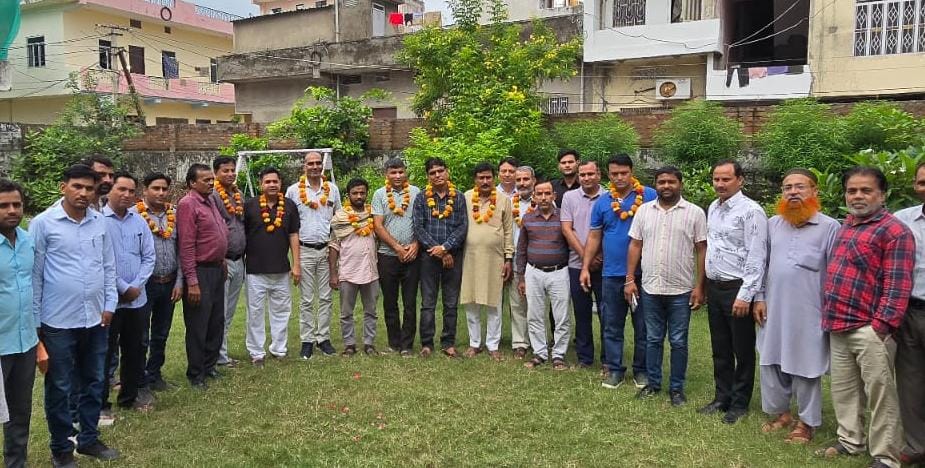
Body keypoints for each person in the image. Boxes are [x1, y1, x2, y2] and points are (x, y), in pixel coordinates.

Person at [816, 167, 913, 468]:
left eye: (866, 190)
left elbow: (898, 285)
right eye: (852, 190)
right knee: (844, 389)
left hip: (870, 328)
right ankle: (850, 441)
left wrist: (880, 327)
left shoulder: (894, 231)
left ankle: (885, 456)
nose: (857, 196)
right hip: (838, 322)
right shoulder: (848, 224)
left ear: (882, 195)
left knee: (880, 394)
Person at [30, 164, 120, 465]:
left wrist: (109, 304)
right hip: (57, 321)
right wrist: (36, 323)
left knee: (94, 381)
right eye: (77, 186)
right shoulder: (43, 224)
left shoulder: (99, 222)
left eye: (89, 188)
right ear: (63, 187)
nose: (83, 193)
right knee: (60, 387)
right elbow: (35, 275)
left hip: (96, 318)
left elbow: (108, 265)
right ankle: (61, 448)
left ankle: (89, 439)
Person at [752, 169, 839, 443]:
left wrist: (830, 311)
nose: (793, 192)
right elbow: (761, 264)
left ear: (814, 192)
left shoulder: (830, 227)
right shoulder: (773, 224)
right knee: (770, 360)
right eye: (787, 187)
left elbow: (835, 273)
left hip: (809, 310)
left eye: (800, 187)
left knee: (806, 365)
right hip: (772, 307)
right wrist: (759, 297)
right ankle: (781, 414)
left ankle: (806, 422)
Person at [625, 166, 707, 406]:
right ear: (656, 185)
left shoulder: (694, 213)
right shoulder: (644, 211)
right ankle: (653, 383)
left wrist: (700, 286)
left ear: (680, 184)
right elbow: (635, 245)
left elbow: (702, 250)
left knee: (679, 341)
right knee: (652, 338)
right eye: (661, 182)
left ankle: (677, 388)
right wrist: (629, 279)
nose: (666, 186)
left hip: (681, 289)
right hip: (650, 287)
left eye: (671, 182)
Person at [700, 160, 768, 425]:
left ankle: (739, 403)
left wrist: (746, 295)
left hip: (737, 289)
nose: (720, 184)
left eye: (726, 179)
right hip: (716, 287)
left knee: (742, 349)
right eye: (716, 179)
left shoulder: (751, 211)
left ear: (740, 180)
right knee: (720, 348)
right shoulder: (713, 208)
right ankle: (722, 397)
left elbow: (757, 256)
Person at [580, 154, 655, 390]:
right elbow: (594, 236)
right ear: (608, 175)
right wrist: (585, 267)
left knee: (643, 325)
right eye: (615, 174)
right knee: (611, 325)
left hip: (644, 273)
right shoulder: (603, 202)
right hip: (611, 274)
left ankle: (641, 371)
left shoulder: (649, 196)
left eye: (624, 173)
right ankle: (614, 369)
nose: (620, 177)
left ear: (632, 172)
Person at [101, 173, 156, 416]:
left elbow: (149, 256)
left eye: (131, 191)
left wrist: (136, 286)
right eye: (121, 189)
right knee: (104, 353)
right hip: (109, 301)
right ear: (109, 190)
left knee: (135, 349)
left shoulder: (139, 221)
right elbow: (100, 261)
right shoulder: (98, 221)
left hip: (137, 300)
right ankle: (101, 403)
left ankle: (129, 397)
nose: (126, 195)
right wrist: (123, 288)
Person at [177, 164, 229, 390]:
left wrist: (222, 259)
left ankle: (209, 366)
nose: (211, 183)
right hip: (200, 271)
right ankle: (196, 373)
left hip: (216, 269)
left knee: (216, 322)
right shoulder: (188, 204)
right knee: (199, 324)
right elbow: (187, 245)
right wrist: (192, 281)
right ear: (192, 183)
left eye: (211, 179)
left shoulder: (211, 201)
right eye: (205, 180)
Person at [242, 167, 300, 367]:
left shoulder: (289, 205)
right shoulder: (249, 206)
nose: (272, 185)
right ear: (261, 185)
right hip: (255, 270)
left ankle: (279, 348)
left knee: (282, 311)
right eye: (267, 182)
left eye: (275, 181)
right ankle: (256, 352)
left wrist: (297, 265)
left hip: (281, 269)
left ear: (280, 183)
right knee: (255, 312)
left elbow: (294, 235)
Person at [286, 152, 341, 359]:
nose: (315, 166)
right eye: (311, 163)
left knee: (326, 297)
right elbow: (289, 225)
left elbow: (338, 220)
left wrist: (336, 250)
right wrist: (295, 262)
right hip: (305, 250)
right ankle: (307, 340)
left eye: (318, 163)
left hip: (326, 250)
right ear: (304, 166)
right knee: (307, 299)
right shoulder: (293, 191)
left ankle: (323, 338)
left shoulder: (332, 189)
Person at [411, 157, 468, 358]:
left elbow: (463, 227)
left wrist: (445, 248)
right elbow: (418, 227)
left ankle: (448, 343)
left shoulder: (459, 197)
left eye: (440, 171)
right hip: (429, 257)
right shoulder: (421, 198)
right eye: (432, 173)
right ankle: (427, 343)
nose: (437, 175)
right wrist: (437, 249)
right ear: (428, 176)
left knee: (451, 302)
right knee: (428, 302)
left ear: (447, 171)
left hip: (453, 256)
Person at [0, 179, 37, 468]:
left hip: (25, 341)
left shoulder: (27, 241)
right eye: (3, 206)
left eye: (17, 204)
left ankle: (16, 463)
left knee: (20, 411)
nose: (12, 210)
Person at [459, 162, 514, 361]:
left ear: (494, 178)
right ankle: (474, 343)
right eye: (481, 177)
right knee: (471, 302)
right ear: (475, 179)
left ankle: (493, 344)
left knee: (494, 303)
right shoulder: (465, 197)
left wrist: (508, 258)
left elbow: (508, 231)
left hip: (495, 259)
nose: (485, 181)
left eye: (488, 177)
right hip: (470, 258)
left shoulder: (503, 200)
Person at [135, 173, 183, 392]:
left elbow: (181, 249)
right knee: (140, 335)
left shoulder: (175, 214)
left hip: (169, 282)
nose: (161, 193)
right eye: (156, 188)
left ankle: (155, 374)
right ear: (145, 190)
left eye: (164, 189)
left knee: (161, 333)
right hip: (144, 284)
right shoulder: (134, 215)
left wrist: (179, 281)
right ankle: (138, 379)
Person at [517, 179, 572, 370]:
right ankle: (539, 353)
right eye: (539, 194)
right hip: (534, 271)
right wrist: (521, 277)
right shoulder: (528, 218)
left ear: (554, 195)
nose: (543, 197)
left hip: (559, 271)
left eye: (547, 193)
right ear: (534, 196)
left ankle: (558, 355)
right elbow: (521, 249)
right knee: (534, 314)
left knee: (561, 316)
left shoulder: (564, 217)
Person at [371, 158, 420, 356]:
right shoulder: (379, 194)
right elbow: (377, 225)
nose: (397, 176)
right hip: (387, 255)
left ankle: (407, 345)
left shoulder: (416, 192)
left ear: (405, 172)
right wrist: (397, 247)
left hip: (412, 255)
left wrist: (416, 244)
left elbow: (422, 221)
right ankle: (394, 343)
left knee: (410, 302)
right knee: (390, 302)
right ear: (387, 174)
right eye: (393, 172)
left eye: (400, 172)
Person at [893, 162, 925, 465]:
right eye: (922, 182)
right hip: (911, 311)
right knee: (910, 382)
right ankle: (916, 445)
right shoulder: (902, 220)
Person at [561, 160, 606, 370]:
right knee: (581, 313)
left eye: (590, 174)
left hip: (604, 264)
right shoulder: (569, 197)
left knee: (607, 314)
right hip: (576, 264)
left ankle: (608, 359)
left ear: (599, 175)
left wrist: (598, 256)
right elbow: (567, 229)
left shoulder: (609, 197)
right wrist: (587, 258)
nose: (586, 178)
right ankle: (585, 358)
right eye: (582, 175)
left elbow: (611, 229)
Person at [330, 178, 380, 357]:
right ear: (348, 195)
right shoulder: (340, 217)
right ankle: (349, 344)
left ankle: (369, 343)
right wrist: (333, 273)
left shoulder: (373, 215)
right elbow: (333, 246)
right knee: (346, 312)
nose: (359, 196)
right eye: (355, 193)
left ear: (367, 194)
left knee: (371, 311)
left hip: (370, 270)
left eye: (362, 193)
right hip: (348, 271)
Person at [211, 156, 246, 368]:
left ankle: (221, 353)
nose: (231, 174)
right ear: (216, 173)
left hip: (239, 260)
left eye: (233, 170)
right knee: (220, 311)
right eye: (226, 170)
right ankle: (219, 356)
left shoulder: (238, 194)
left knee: (230, 310)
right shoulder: (213, 195)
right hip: (222, 261)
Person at [507, 166, 535, 359]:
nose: (522, 183)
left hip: (538, 259)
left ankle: (537, 340)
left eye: (526, 179)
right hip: (516, 258)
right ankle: (520, 342)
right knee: (517, 303)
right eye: (519, 180)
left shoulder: (543, 199)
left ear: (533, 180)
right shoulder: (509, 203)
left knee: (537, 304)